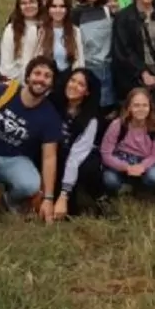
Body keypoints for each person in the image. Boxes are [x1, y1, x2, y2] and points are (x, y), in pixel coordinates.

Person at [0, 57, 62, 221]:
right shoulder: (3, 91)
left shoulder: (50, 117)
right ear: (28, 76)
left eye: (47, 76)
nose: (41, 79)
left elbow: (50, 157)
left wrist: (48, 198)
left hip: (15, 159)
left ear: (51, 84)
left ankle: (10, 200)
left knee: (30, 185)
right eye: (37, 73)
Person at [50, 68, 106, 218]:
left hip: (80, 157)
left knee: (89, 167)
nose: (74, 86)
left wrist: (64, 195)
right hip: (56, 154)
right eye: (72, 80)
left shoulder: (91, 118)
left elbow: (75, 156)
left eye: (81, 84)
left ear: (87, 92)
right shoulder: (54, 103)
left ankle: (100, 198)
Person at [101, 87, 155, 195]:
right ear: (129, 108)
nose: (141, 109)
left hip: (143, 162)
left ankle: (140, 186)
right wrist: (126, 167)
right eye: (136, 105)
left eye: (145, 105)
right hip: (121, 160)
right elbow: (106, 154)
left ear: (150, 107)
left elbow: (154, 156)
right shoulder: (117, 125)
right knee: (109, 179)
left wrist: (141, 167)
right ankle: (123, 186)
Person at [71, 0, 116, 112]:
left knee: (106, 110)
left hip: (107, 68)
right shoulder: (75, 13)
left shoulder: (106, 11)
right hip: (87, 68)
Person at [37, 0, 85, 87]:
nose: (58, 10)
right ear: (48, 9)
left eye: (62, 6)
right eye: (54, 6)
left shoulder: (75, 31)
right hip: (44, 85)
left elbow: (80, 62)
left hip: (68, 85)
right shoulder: (40, 31)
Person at [0, 0, 42, 83]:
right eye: (24, 3)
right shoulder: (11, 29)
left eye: (32, 2)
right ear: (19, 7)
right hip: (16, 84)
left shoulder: (46, 27)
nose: (28, 6)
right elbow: (6, 64)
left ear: (38, 3)